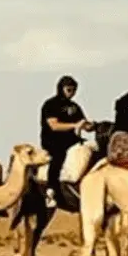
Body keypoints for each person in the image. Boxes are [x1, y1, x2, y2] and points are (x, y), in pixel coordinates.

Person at [40, 75, 94, 209]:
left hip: (71, 139)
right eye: (69, 90)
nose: (72, 93)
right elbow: (54, 125)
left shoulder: (75, 107)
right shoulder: (50, 104)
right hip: (53, 139)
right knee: (58, 157)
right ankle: (50, 191)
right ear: (61, 88)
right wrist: (75, 125)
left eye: (74, 90)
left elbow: (83, 123)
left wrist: (91, 126)